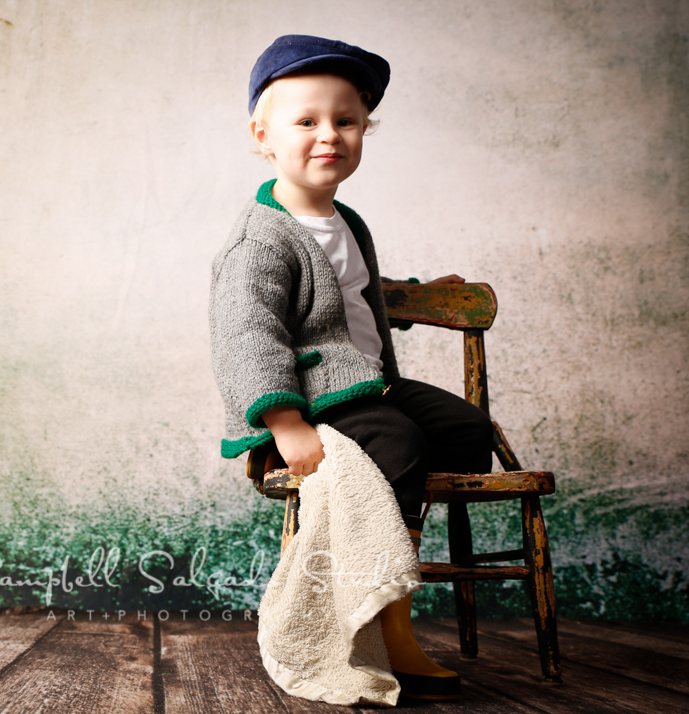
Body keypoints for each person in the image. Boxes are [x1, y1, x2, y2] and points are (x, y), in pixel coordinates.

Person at [208, 35, 494, 701]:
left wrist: (415, 291)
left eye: (347, 120)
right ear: (263, 136)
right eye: (305, 121)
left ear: (365, 130)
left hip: (368, 379)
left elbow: (348, 295)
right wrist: (284, 424)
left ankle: (394, 534)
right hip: (312, 397)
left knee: (465, 430)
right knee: (398, 440)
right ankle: (388, 623)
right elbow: (248, 335)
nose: (328, 135)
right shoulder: (261, 239)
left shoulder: (345, 220)